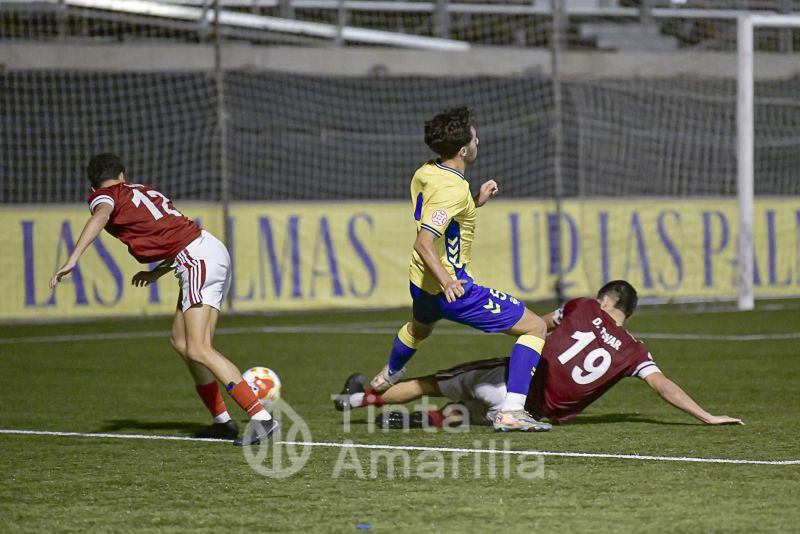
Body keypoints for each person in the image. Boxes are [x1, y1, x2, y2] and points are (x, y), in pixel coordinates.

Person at [49, 153, 278, 445]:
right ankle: (222, 421)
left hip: (196, 259)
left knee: (198, 347)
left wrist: (73, 258)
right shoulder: (140, 190)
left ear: (94, 186)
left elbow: (101, 215)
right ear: (122, 174)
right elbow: (173, 231)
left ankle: (261, 418)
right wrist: (158, 273)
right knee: (181, 342)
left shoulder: (103, 197)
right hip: (203, 252)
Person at [338, 280, 744, 429]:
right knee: (464, 416)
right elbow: (663, 386)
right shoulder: (635, 351)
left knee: (433, 383)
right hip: (535, 415)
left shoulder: (583, 306)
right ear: (628, 313)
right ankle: (411, 422)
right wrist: (707, 416)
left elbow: (539, 324)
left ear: (605, 298)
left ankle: (356, 398)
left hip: (510, 384)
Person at [367, 107, 550, 432]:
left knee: (418, 329)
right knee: (535, 328)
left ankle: (391, 373)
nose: (479, 140)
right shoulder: (452, 191)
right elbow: (424, 242)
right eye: (475, 137)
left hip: (420, 284)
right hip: (451, 289)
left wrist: (473, 202)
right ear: (464, 149)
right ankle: (512, 411)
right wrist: (449, 280)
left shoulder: (428, 172)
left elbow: (441, 213)